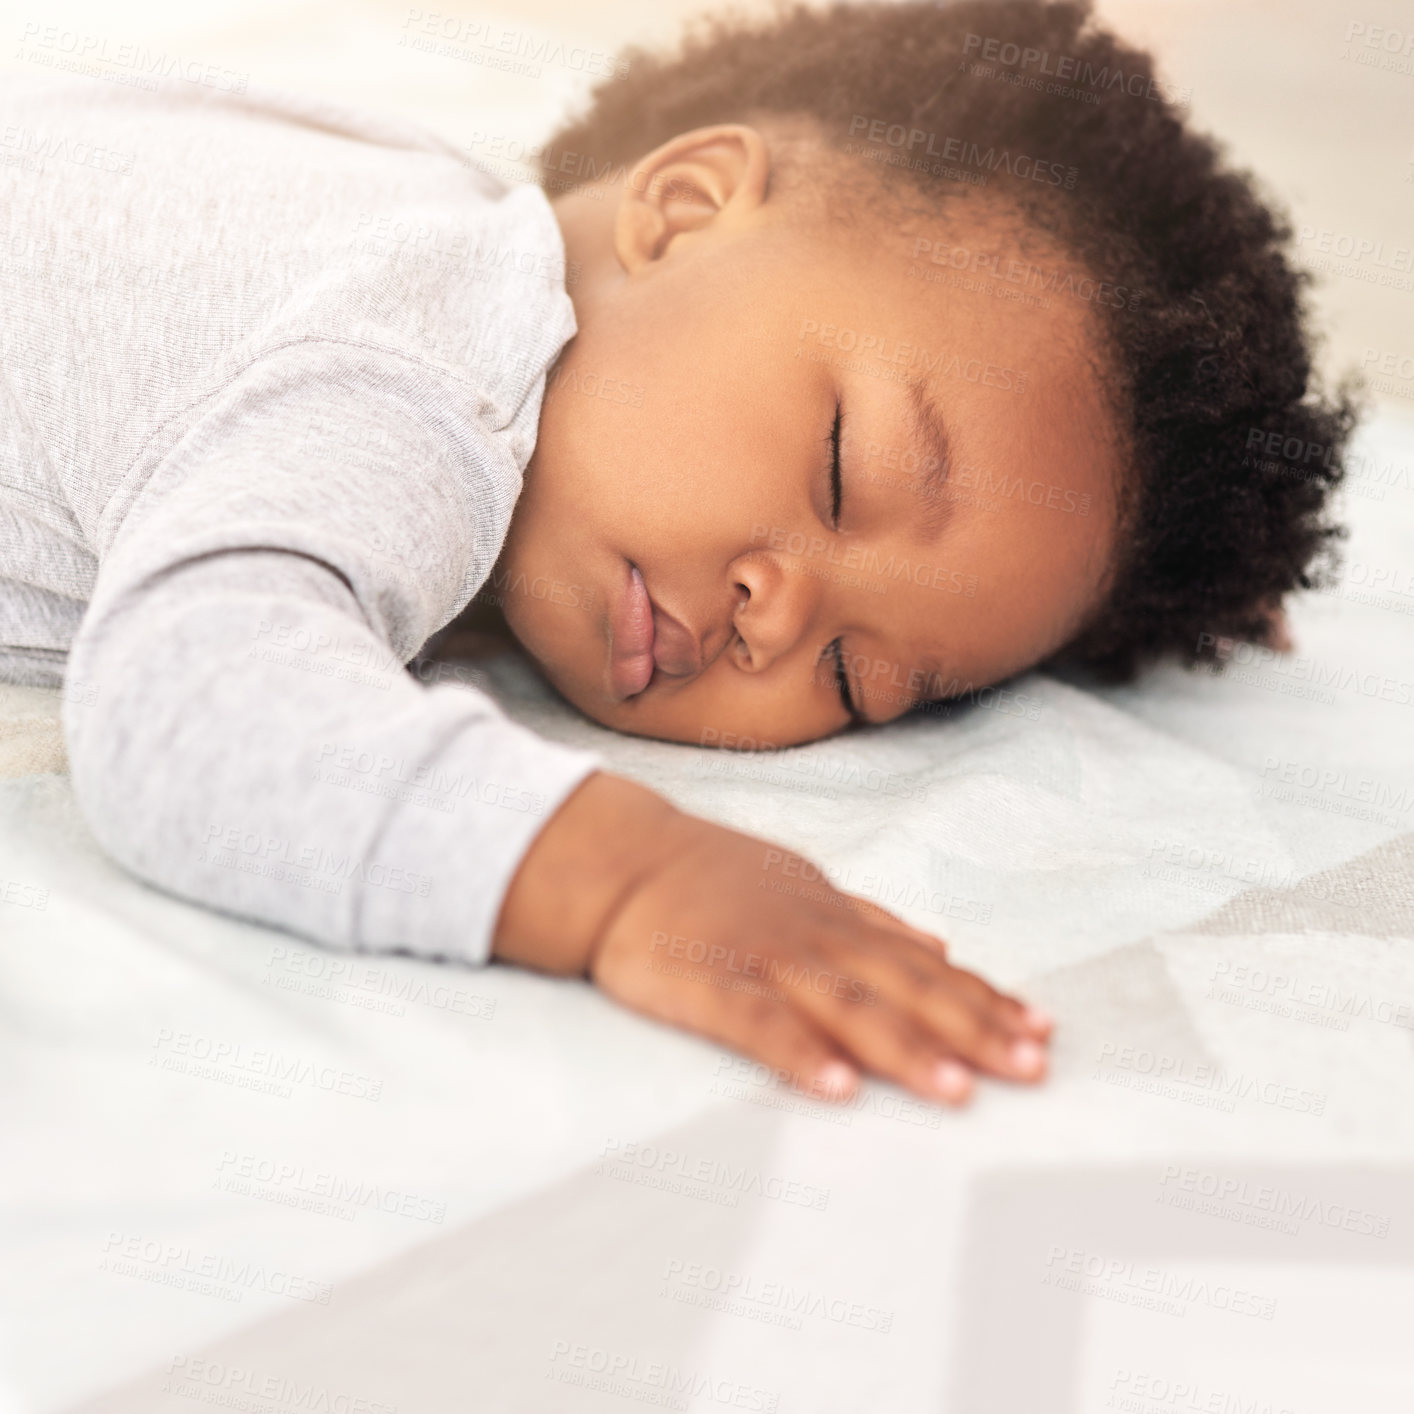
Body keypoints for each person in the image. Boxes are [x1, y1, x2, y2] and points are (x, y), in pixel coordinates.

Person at [0, 1, 1351, 1106]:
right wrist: (624, 875)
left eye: (856, 679)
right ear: (687, 202)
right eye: (841, 470)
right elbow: (191, 695)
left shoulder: (427, 242)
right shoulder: (418, 375)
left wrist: (1171, 575)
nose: (780, 614)